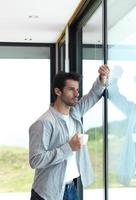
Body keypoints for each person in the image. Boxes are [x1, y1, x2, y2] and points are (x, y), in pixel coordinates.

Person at [29, 65, 110, 200]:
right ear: (58, 91)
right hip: (47, 194)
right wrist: (69, 148)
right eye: (71, 89)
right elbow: (35, 160)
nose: (76, 94)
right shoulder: (43, 123)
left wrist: (102, 78)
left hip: (71, 189)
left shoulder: (75, 113)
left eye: (77, 90)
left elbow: (93, 95)